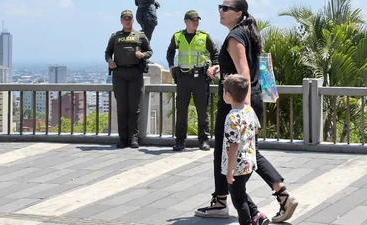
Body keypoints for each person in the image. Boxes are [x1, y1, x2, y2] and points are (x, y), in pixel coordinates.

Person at [194, 0, 298, 223]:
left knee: (228, 151)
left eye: (225, 8)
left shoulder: (234, 36)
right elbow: (240, 67)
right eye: (219, 7)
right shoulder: (244, 32)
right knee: (250, 151)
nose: (220, 11)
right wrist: (220, 68)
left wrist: (243, 112)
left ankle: (225, 202)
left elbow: (244, 74)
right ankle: (281, 195)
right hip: (246, 101)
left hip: (237, 104)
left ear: (238, 13)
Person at [166, 10, 219, 151]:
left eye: (197, 20)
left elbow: (215, 53)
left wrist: (214, 66)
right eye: (193, 20)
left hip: (200, 78)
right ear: (186, 21)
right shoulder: (178, 36)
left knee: (202, 110)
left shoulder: (204, 36)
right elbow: (170, 52)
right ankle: (180, 141)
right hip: (183, 78)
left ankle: (203, 140)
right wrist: (171, 66)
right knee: (181, 110)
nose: (196, 22)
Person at [221, 74, 269, 225]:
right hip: (249, 161)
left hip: (237, 165)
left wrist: (230, 170)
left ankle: (247, 221)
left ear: (228, 95)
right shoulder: (249, 110)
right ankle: (257, 215)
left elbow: (233, 145)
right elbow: (255, 130)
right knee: (239, 192)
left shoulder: (232, 117)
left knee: (238, 199)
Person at [105, 10, 153, 148]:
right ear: (121, 21)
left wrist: (142, 54)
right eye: (125, 19)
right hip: (119, 73)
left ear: (133, 21)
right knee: (122, 107)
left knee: (134, 108)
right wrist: (109, 61)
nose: (127, 21)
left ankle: (134, 138)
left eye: (129, 19)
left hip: (135, 73)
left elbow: (149, 51)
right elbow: (107, 52)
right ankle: (123, 138)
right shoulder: (115, 36)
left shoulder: (140, 36)